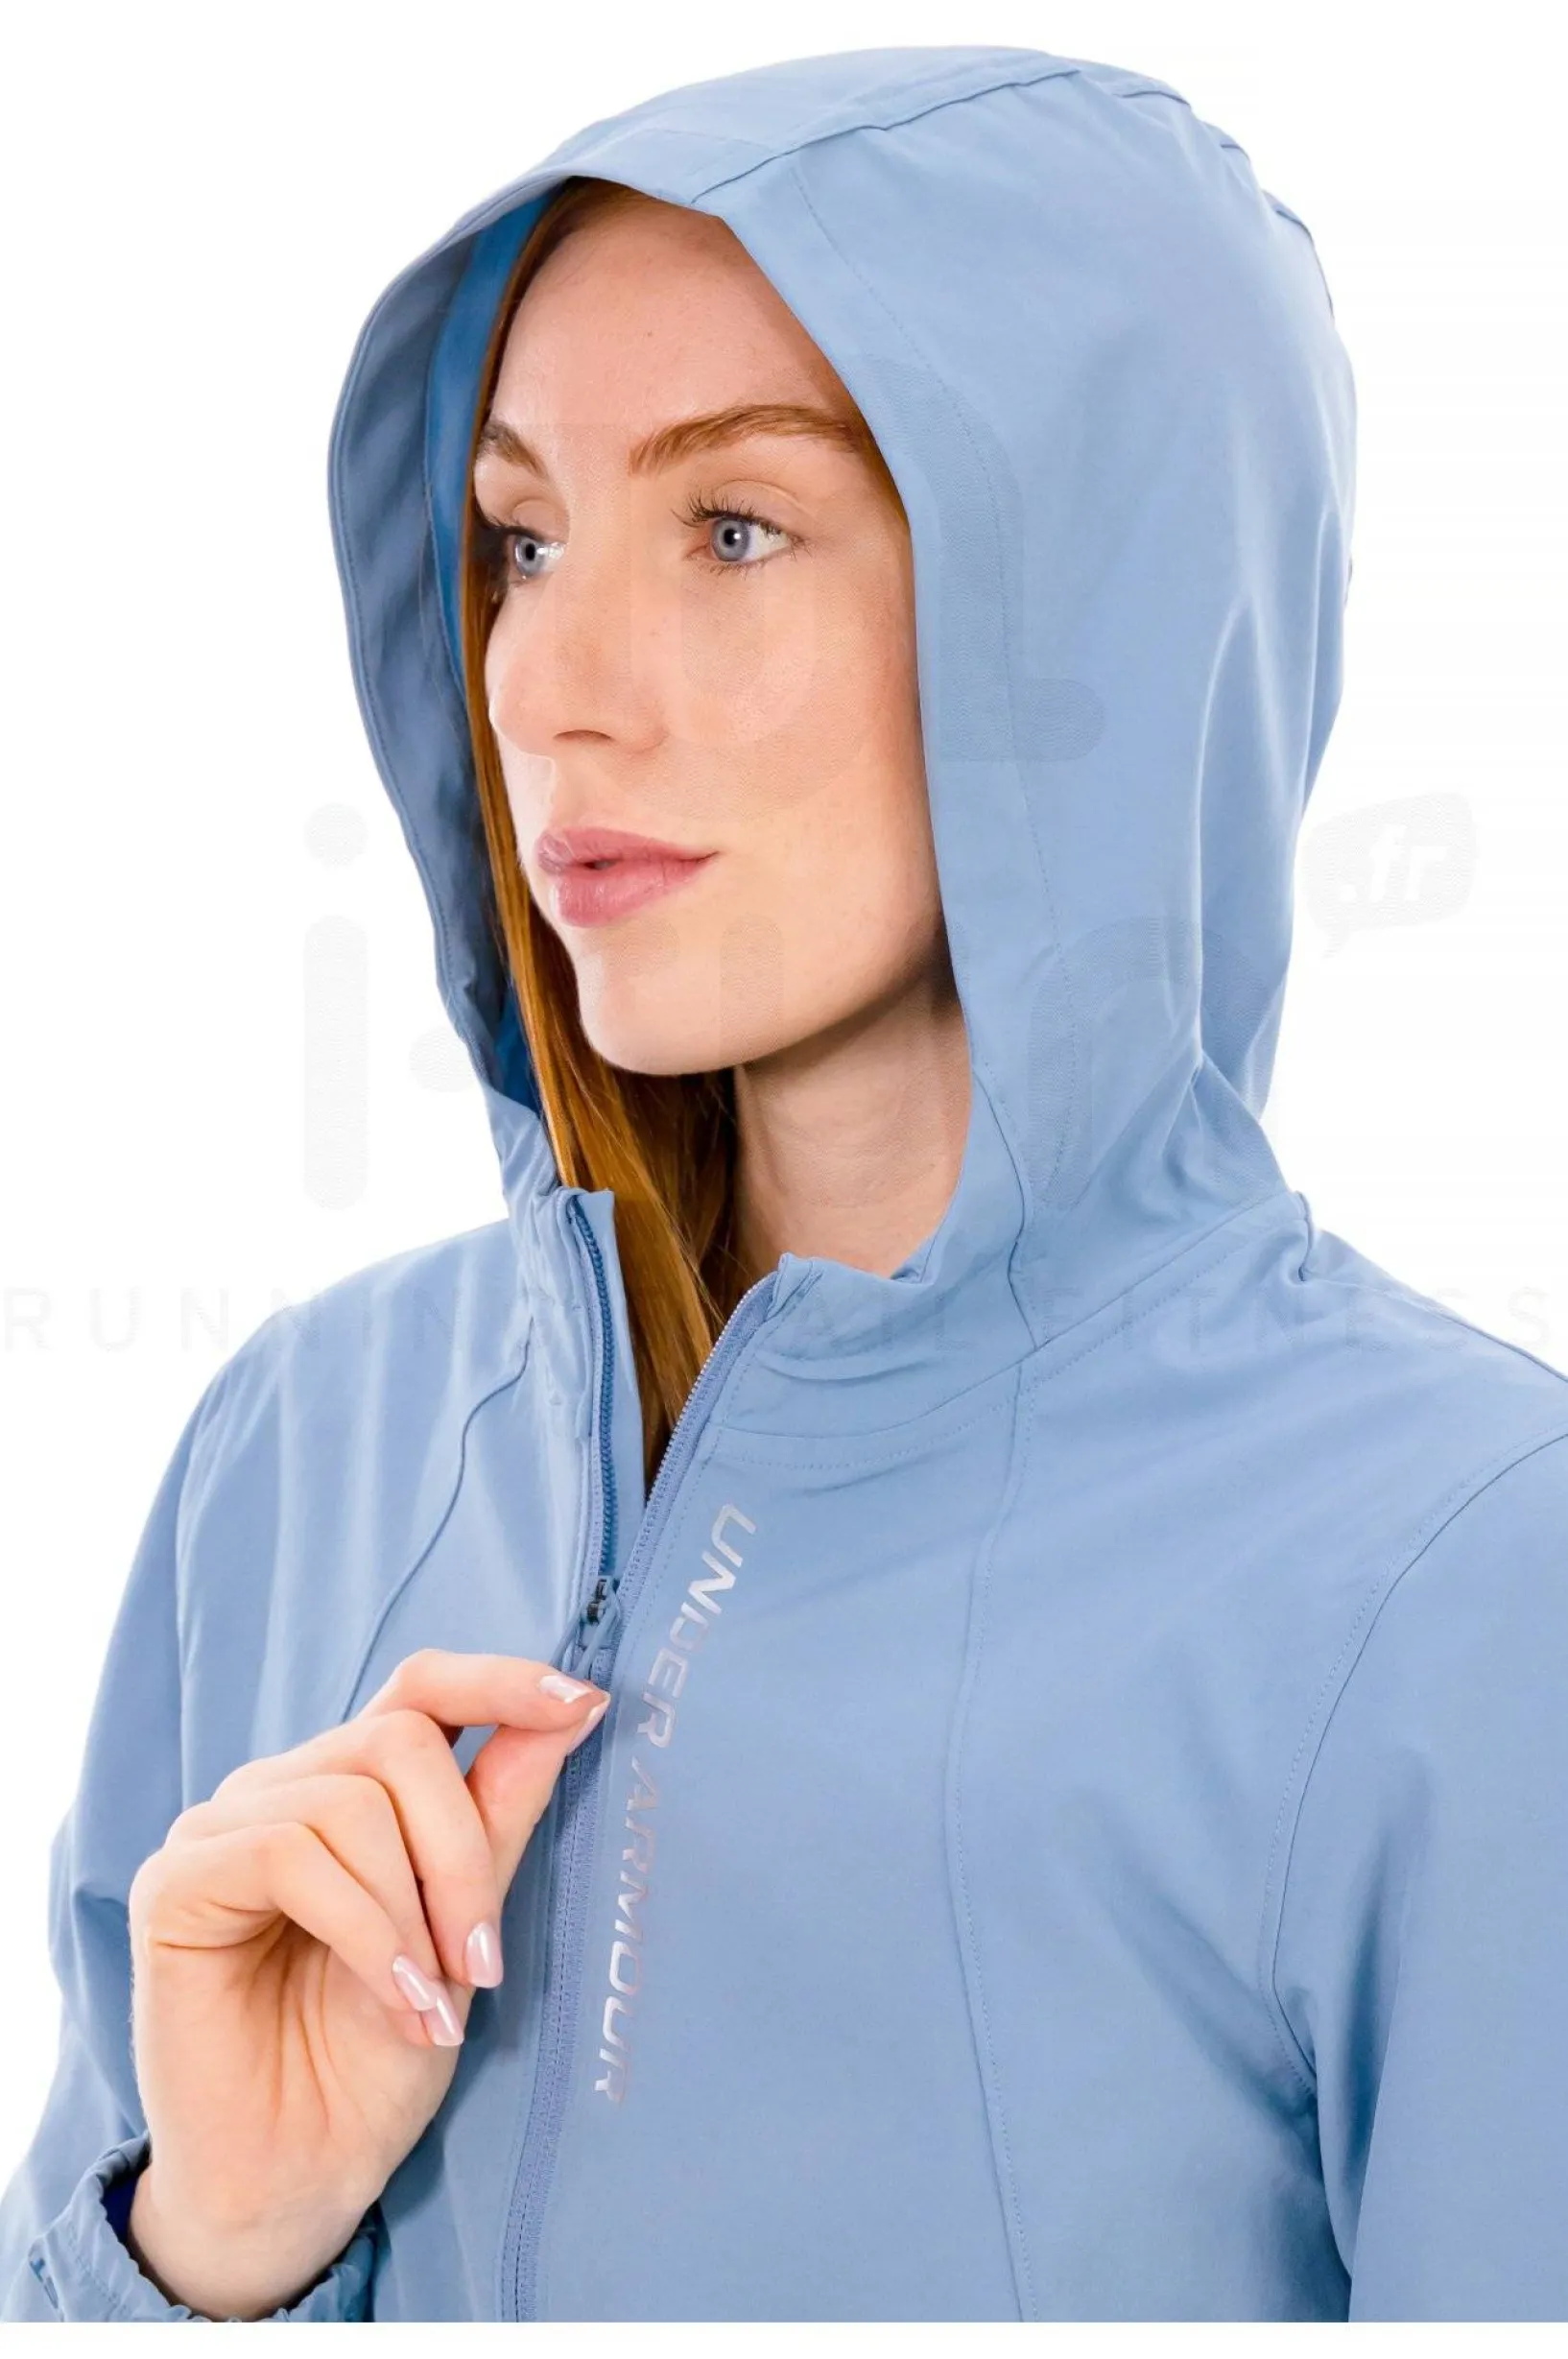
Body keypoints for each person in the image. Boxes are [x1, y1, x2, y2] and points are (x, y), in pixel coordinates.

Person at [3, 40, 1567, 2326]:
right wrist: (211, 2250)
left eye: (733, 529)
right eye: (521, 540)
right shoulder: (303, 1442)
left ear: (1094, 618)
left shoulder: (1468, 1573)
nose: (551, 685)